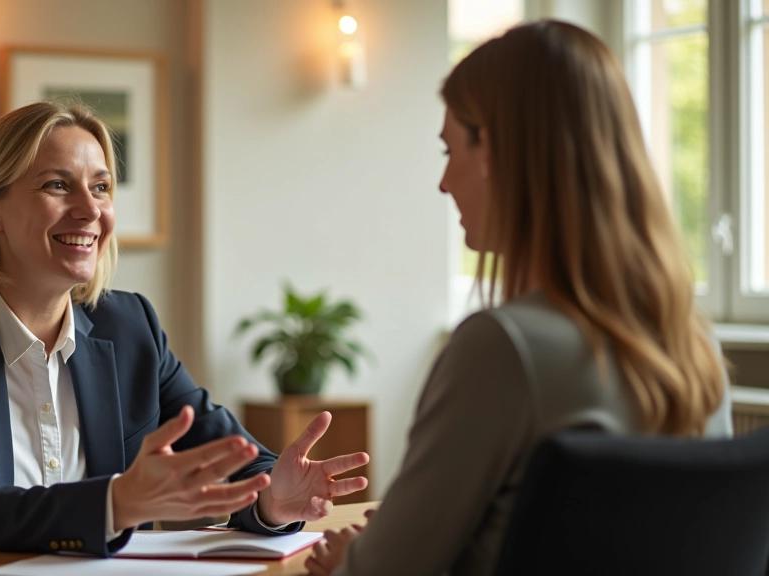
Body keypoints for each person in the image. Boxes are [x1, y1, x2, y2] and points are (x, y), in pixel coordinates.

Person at [0, 100, 369, 561]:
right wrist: (118, 503)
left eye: (102, 187)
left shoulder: (129, 325)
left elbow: (226, 452)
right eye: (58, 185)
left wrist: (272, 497)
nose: (90, 211)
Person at [305, 20, 732, 576]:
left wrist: (350, 560)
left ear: (495, 151)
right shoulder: (694, 344)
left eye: (449, 149)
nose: (444, 183)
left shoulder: (501, 348)